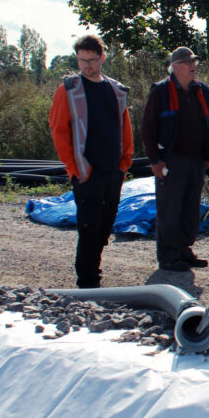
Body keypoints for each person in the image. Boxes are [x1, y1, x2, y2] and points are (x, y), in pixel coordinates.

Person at [49, 34, 134, 288]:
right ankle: (87, 282)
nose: (86, 65)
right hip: (86, 172)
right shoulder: (68, 90)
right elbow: (59, 131)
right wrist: (74, 169)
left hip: (112, 170)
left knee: (105, 225)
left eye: (92, 60)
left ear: (102, 58)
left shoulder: (115, 90)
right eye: (82, 60)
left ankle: (93, 271)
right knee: (88, 228)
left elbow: (124, 127)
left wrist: (123, 165)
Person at [141, 47, 209, 272]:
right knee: (170, 209)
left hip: (195, 160)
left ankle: (184, 251)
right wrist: (155, 160)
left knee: (190, 208)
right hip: (171, 160)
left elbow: (207, 124)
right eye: (187, 62)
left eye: (194, 61)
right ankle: (168, 257)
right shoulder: (160, 91)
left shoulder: (201, 90)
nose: (193, 66)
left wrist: (208, 155)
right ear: (175, 66)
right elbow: (148, 128)